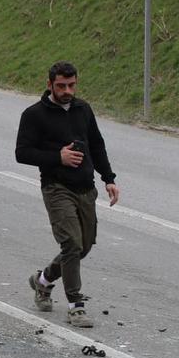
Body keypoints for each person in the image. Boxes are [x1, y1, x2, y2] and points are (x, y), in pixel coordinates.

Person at [15, 61, 120, 328]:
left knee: (83, 246)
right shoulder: (34, 115)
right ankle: (76, 306)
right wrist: (57, 157)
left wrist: (109, 178)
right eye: (61, 86)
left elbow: (96, 145)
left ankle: (42, 281)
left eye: (71, 85)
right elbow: (22, 153)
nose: (67, 91)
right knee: (71, 244)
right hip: (56, 187)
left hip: (85, 188)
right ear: (49, 84)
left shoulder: (83, 109)